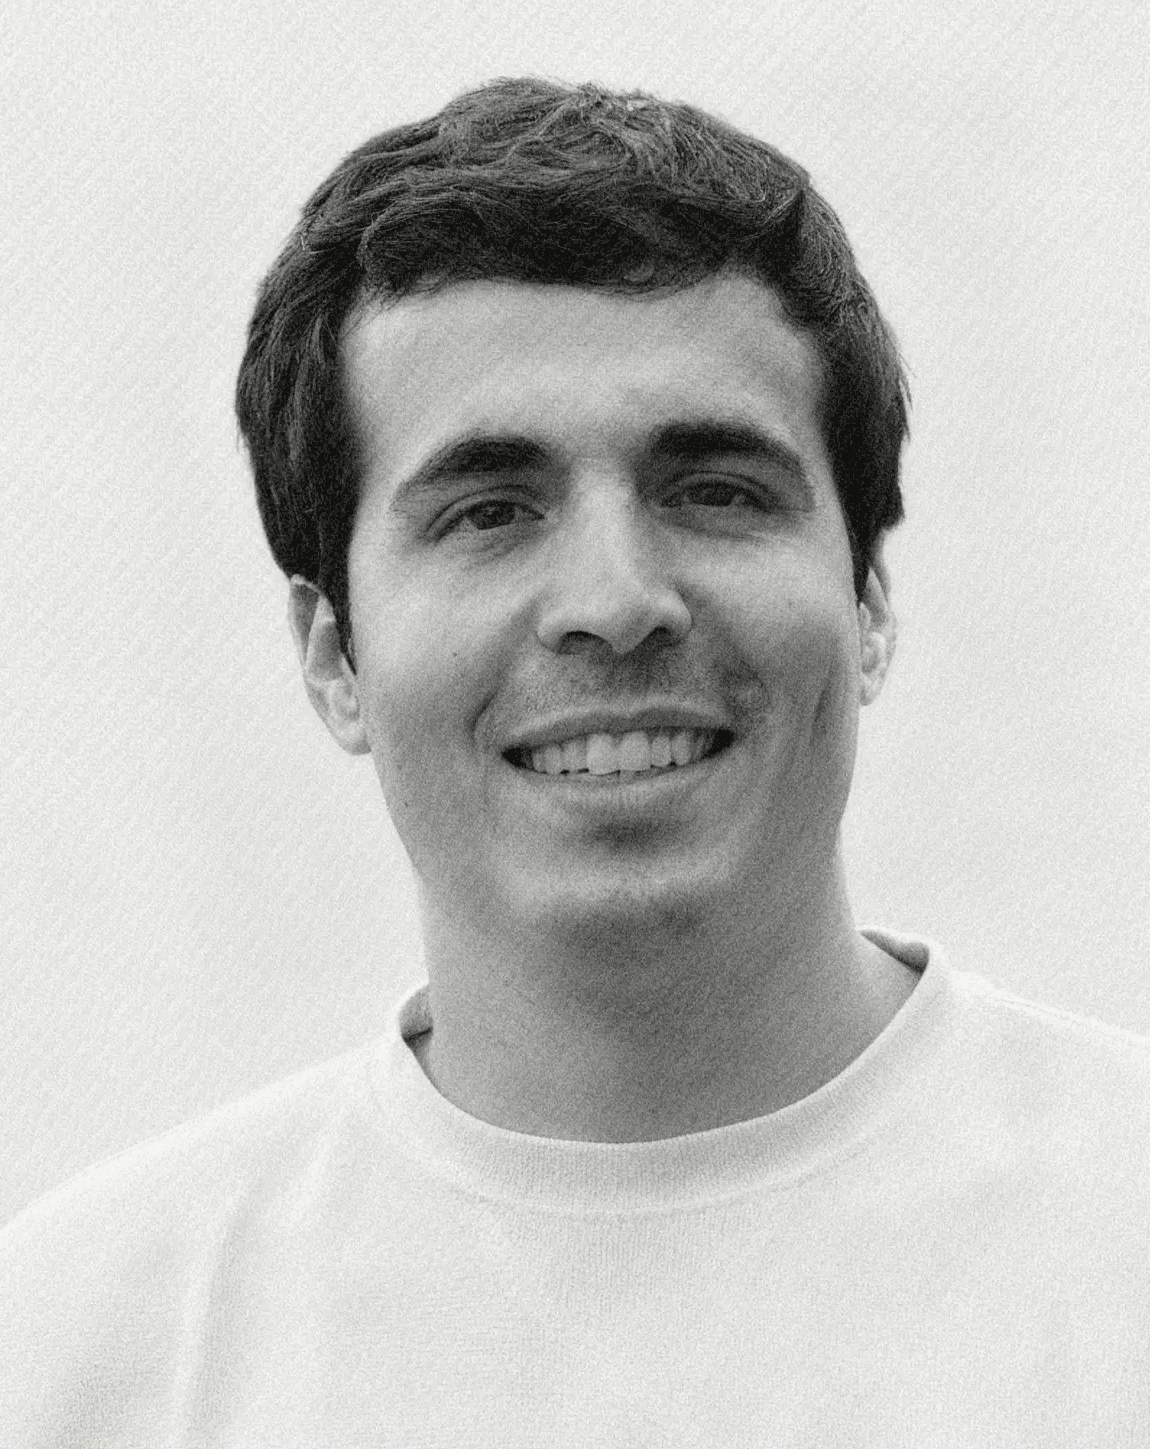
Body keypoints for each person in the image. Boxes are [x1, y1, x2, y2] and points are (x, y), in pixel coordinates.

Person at [3, 76, 1148, 1445]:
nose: (614, 599)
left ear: (868, 605)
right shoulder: (83, 1348)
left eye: (713, 490)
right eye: (489, 510)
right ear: (332, 654)